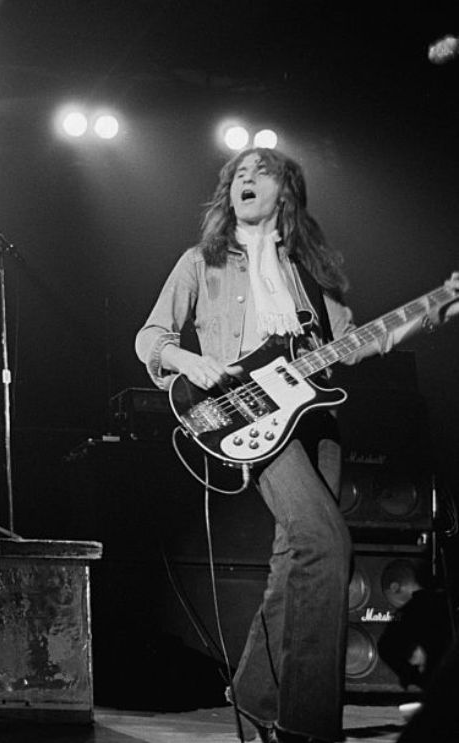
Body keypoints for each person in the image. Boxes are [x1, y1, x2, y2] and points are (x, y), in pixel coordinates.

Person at [134, 148, 459, 743]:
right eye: (237, 174)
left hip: (314, 419)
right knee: (325, 542)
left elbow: (355, 343)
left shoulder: (308, 267)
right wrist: (189, 361)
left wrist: (431, 308)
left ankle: (257, 696)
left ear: (286, 189)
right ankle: (306, 728)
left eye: (260, 170)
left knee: (295, 559)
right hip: (249, 414)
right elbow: (150, 336)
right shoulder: (200, 262)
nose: (245, 179)